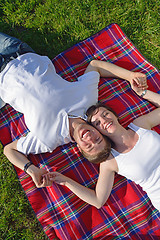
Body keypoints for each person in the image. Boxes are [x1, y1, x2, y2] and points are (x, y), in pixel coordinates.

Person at [0, 32, 147, 188]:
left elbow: (9, 150)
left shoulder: (48, 140)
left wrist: (31, 169)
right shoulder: (88, 101)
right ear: (100, 132)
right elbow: (95, 66)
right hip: (20, 53)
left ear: (79, 147)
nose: (90, 139)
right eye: (97, 139)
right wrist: (130, 76)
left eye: (89, 146)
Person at [45, 82, 160, 212]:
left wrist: (143, 93)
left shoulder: (140, 125)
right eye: (98, 123)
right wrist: (65, 181)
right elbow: (98, 200)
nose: (104, 121)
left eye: (105, 114)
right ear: (97, 131)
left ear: (115, 115)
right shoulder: (111, 161)